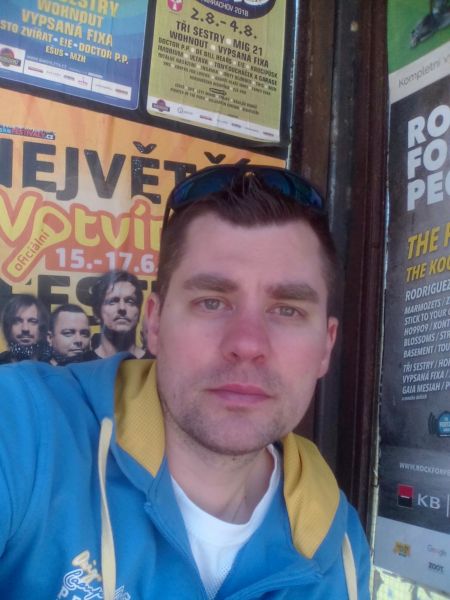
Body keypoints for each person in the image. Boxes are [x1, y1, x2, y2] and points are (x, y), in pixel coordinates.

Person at [0, 165, 370, 599]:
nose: (247, 344)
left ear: (326, 346)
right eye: (211, 302)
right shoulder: (26, 427)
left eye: (287, 310)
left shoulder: (343, 551)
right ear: (154, 324)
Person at [88, 269, 149, 359]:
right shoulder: (80, 364)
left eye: (130, 301)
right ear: (96, 313)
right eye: (112, 301)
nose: (122, 308)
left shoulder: (156, 363)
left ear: (139, 312)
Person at [0, 293, 51, 364]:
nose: (25, 328)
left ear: (42, 328)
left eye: (32, 321)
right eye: (17, 321)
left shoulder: (53, 367)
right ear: (7, 328)